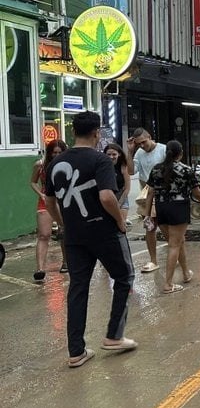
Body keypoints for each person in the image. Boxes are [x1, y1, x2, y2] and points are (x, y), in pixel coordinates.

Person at [44, 111, 137, 368]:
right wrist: (119, 221)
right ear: (96, 133)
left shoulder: (54, 163)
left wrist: (63, 222)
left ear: (74, 132)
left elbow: (49, 200)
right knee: (124, 276)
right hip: (103, 232)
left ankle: (76, 352)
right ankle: (114, 336)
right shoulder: (100, 160)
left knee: (78, 288)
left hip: (74, 235)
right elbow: (107, 197)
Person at [144, 140, 200, 293]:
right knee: (174, 244)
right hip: (178, 208)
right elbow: (197, 192)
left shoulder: (156, 169)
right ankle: (168, 284)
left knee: (178, 241)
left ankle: (186, 273)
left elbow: (150, 193)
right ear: (180, 153)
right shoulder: (185, 170)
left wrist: (147, 214)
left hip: (161, 208)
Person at [127, 128, 166, 273]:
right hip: (147, 195)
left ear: (149, 137)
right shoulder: (138, 153)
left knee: (167, 228)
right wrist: (130, 152)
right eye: (139, 144)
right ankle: (153, 260)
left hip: (163, 193)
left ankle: (177, 256)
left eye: (143, 142)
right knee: (149, 226)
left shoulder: (163, 149)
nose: (142, 146)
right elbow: (131, 171)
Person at [30, 139, 68, 281]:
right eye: (54, 152)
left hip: (64, 201)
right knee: (43, 235)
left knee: (64, 232)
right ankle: (40, 268)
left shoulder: (68, 164)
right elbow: (33, 182)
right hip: (45, 201)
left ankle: (66, 262)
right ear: (49, 153)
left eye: (60, 152)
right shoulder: (40, 165)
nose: (57, 155)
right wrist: (41, 194)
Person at [104, 143, 131, 224]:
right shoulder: (102, 167)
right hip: (107, 196)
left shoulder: (123, 167)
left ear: (119, 154)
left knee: (121, 223)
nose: (111, 157)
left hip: (121, 196)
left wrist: (119, 204)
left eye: (114, 154)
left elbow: (127, 188)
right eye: (108, 154)